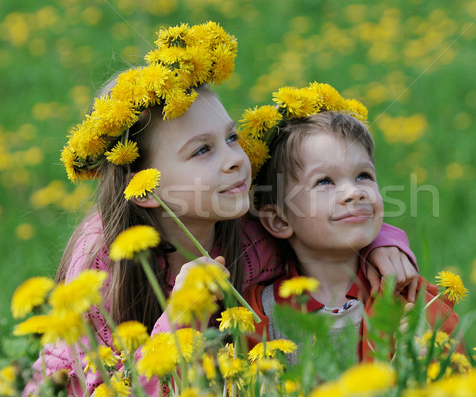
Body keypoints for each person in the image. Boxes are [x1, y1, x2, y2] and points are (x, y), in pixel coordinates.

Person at [25, 24, 418, 396]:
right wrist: (183, 317)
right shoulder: (101, 266)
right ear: (144, 188)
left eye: (231, 137)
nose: (234, 159)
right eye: (202, 150)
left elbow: (321, 220)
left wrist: (381, 242)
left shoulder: (250, 233)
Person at [242, 83, 461, 362]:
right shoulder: (259, 314)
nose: (354, 192)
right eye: (324, 182)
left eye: (363, 176)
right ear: (279, 220)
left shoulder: (412, 299)